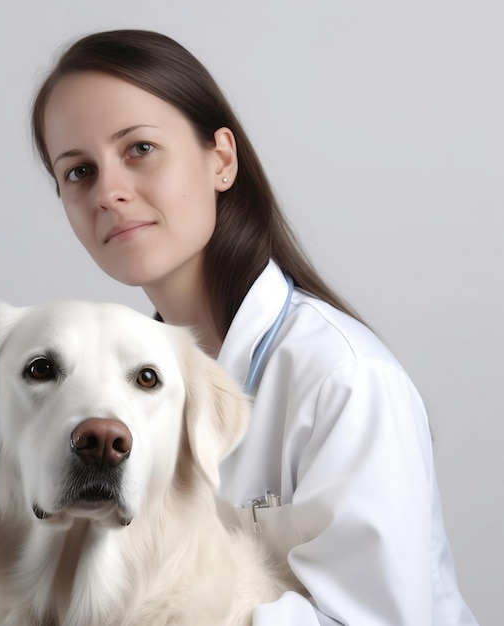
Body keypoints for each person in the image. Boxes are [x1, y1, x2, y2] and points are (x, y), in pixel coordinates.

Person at [30, 29, 477, 625]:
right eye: (79, 170)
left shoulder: (342, 378)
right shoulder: (118, 399)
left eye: (138, 149)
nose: (108, 192)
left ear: (221, 159)